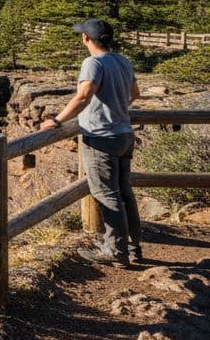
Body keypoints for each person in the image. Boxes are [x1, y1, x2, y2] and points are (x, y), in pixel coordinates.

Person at [39, 18, 141, 267]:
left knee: (107, 195)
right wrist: (118, 110)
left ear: (86, 38)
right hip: (124, 135)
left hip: (101, 138)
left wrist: (58, 119)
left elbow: (84, 95)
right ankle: (133, 247)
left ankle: (115, 252)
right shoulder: (123, 60)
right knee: (125, 193)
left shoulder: (92, 62)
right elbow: (135, 93)